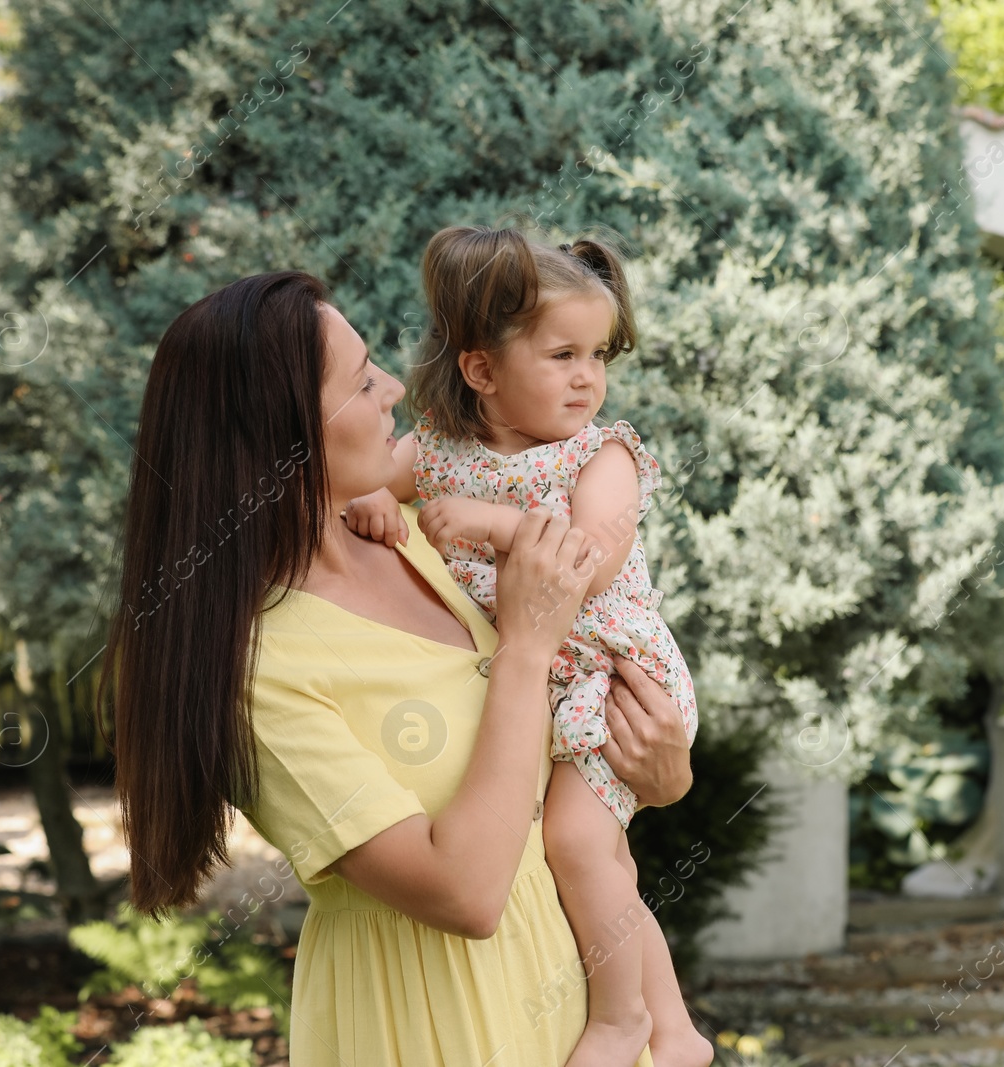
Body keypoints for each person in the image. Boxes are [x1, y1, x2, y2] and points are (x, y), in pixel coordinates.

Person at [103, 270, 695, 1066]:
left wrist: (662, 774)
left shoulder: (411, 536)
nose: (393, 389)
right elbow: (466, 892)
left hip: (578, 1007)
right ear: (281, 432)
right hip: (430, 1025)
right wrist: (525, 645)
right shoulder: (258, 669)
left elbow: (554, 782)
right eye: (360, 381)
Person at [346, 226, 710, 1067]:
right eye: (562, 355)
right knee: (603, 852)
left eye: (597, 355)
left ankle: (623, 1022)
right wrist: (371, 505)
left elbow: (589, 558)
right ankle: (677, 1028)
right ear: (481, 369)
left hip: (615, 680)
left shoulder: (601, 454)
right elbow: (367, 482)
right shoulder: (437, 446)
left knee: (579, 844)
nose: (588, 376)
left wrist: (494, 525)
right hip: (546, 686)